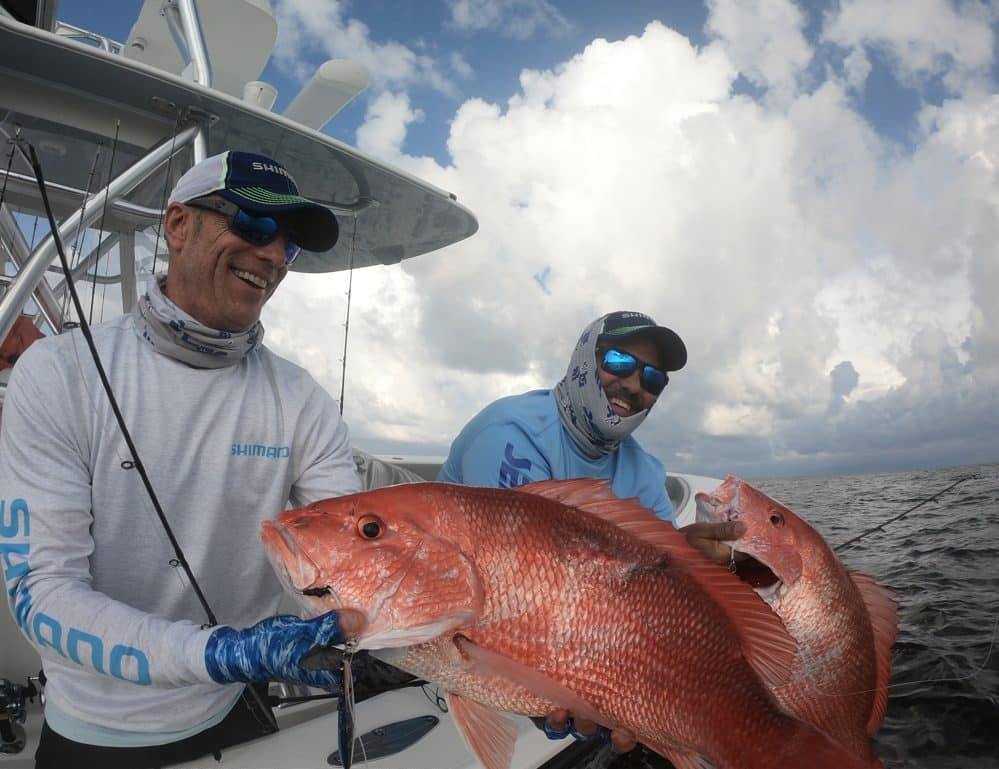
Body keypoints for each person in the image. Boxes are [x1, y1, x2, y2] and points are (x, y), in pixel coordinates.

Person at [0, 150, 365, 768]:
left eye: (289, 246)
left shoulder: (301, 398)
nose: (274, 255)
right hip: (95, 732)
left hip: (236, 711)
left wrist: (511, 666)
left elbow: (357, 565)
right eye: (252, 226)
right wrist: (220, 654)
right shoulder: (59, 371)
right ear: (178, 225)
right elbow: (42, 592)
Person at [438, 310, 744, 752]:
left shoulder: (645, 471)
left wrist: (687, 564)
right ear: (584, 357)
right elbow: (505, 607)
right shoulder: (511, 434)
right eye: (619, 363)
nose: (635, 385)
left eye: (653, 379)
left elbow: (655, 596)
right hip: (466, 636)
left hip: (575, 650)